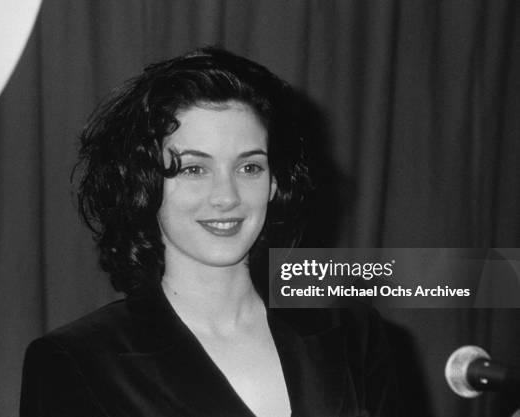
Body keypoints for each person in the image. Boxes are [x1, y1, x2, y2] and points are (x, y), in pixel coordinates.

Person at [20, 47, 398, 417]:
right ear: (146, 184)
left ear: (273, 183)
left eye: (249, 168)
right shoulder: (78, 362)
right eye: (193, 170)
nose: (226, 197)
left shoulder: (353, 338)